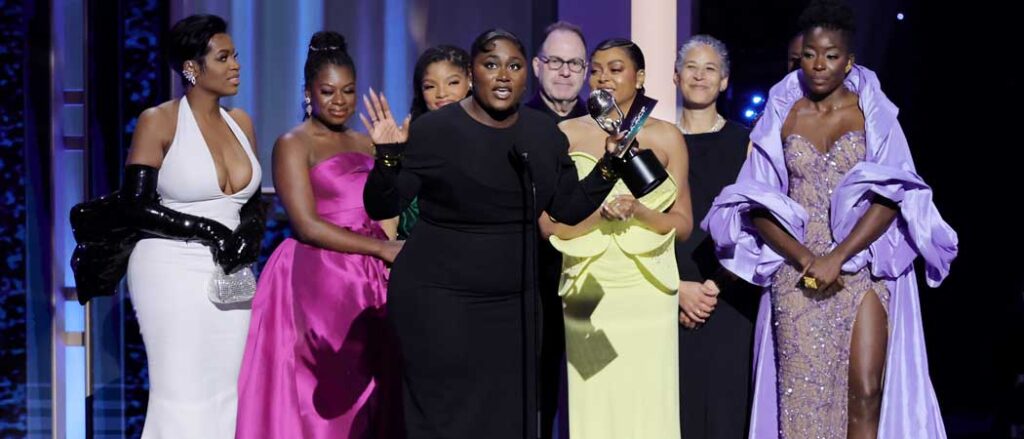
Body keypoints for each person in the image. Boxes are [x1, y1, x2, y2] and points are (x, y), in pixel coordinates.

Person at [702, 1, 958, 437]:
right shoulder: (782, 115)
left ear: (849, 60)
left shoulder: (871, 113)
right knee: (800, 400)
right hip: (796, 269)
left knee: (865, 388)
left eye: (831, 55)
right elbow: (755, 203)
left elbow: (893, 194)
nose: (819, 64)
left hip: (863, 265)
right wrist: (806, 257)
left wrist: (838, 256)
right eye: (810, 54)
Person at [361, 28, 622, 439]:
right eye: (491, 64)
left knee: (507, 415)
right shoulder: (437, 131)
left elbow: (568, 208)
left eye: (514, 66)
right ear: (472, 72)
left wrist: (609, 167)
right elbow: (383, 206)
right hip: (438, 300)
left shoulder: (542, 135)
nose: (503, 75)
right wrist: (388, 158)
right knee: (445, 417)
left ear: (526, 75)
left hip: (513, 304)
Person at [235, 31, 402, 438]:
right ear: (309, 91)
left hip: (371, 280)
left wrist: (392, 156)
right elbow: (306, 224)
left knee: (374, 391)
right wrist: (382, 249)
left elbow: (387, 207)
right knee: (324, 391)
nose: (339, 101)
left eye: (348, 91)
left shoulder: (366, 142)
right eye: (328, 91)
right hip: (321, 280)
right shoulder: (293, 144)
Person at [542, 38, 692, 439]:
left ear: (640, 77)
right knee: (594, 396)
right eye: (597, 69)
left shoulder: (666, 136)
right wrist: (596, 218)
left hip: (648, 288)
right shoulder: (565, 133)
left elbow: (683, 223)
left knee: (648, 400)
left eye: (615, 68)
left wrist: (639, 211)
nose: (603, 77)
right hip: (586, 286)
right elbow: (546, 222)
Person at [122, 14, 262, 437]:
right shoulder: (159, 120)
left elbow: (253, 207)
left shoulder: (242, 123)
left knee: (228, 389)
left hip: (231, 273)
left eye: (234, 55)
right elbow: (136, 206)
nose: (235, 65)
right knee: (181, 391)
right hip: (169, 267)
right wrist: (211, 232)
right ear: (191, 68)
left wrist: (248, 237)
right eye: (223, 57)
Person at [673, 34, 761, 439]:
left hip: (731, 295)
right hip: (668, 296)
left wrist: (713, 286)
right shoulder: (655, 141)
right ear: (676, 76)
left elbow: (756, 226)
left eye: (710, 69)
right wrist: (676, 290)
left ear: (724, 81)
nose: (700, 76)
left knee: (728, 413)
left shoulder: (746, 144)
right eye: (692, 66)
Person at [398, 44, 471, 240]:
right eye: (430, 86)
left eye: (452, 83)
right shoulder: (409, 142)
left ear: (470, 81)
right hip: (419, 252)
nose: (441, 94)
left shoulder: (492, 135)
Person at [525, 21, 589, 122]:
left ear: (585, 71)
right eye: (555, 61)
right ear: (537, 67)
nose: (565, 72)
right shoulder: (516, 124)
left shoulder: (600, 127)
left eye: (574, 63)